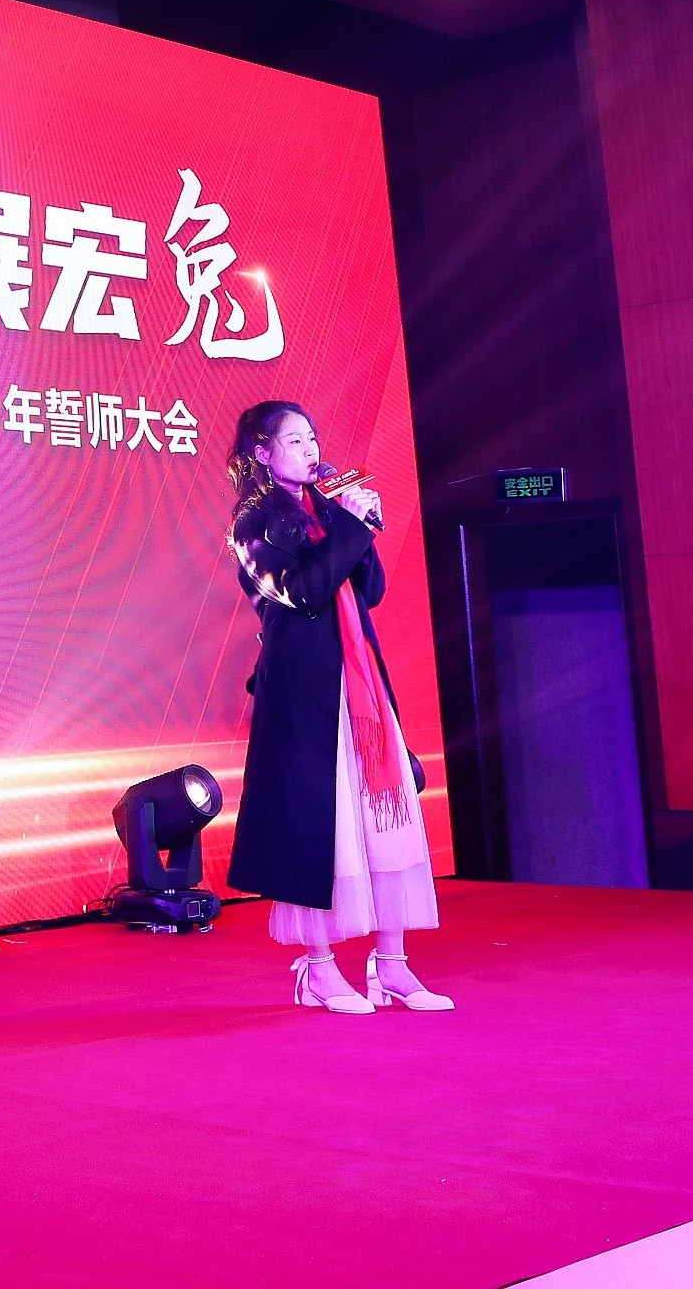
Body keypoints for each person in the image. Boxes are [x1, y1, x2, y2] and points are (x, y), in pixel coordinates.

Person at [225, 399, 454, 1014]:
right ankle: (319, 969)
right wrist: (351, 529)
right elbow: (301, 592)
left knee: (384, 820)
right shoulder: (254, 522)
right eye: (294, 441)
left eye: (312, 439)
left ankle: (393, 964)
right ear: (262, 453)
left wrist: (359, 526)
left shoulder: (329, 511)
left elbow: (369, 591)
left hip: (360, 682)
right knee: (322, 827)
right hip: (305, 692)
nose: (310, 450)